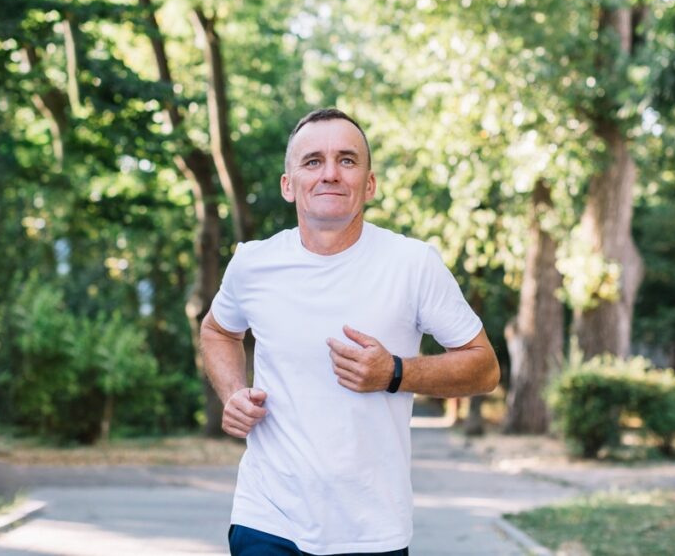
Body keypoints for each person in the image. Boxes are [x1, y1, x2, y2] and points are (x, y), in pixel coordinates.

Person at [200, 108, 501, 556]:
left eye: (346, 160)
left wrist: (394, 372)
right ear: (289, 185)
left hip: (371, 529)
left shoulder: (412, 264)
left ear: (369, 183)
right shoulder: (252, 262)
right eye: (312, 162)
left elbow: (485, 368)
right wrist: (232, 394)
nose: (330, 174)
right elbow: (218, 331)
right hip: (266, 518)